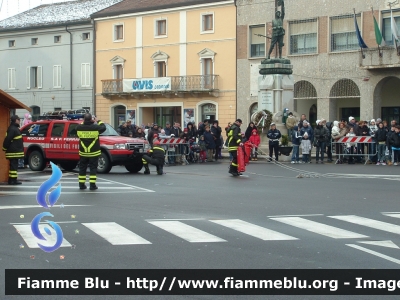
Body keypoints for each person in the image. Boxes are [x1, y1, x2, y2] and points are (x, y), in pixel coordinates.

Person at [76, 113, 106, 190]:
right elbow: (103, 127)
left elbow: (78, 127)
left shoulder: (79, 128)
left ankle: (81, 185)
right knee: (93, 168)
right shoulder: (95, 127)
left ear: (84, 119)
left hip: (83, 152)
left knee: (82, 168)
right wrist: (98, 120)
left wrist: (84, 121)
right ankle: (92, 185)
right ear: (91, 119)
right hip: (94, 152)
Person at [2, 115, 24, 185]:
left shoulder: (14, 128)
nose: (19, 121)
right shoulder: (13, 129)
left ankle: (13, 179)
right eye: (18, 119)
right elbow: (7, 140)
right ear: (16, 120)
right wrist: (4, 147)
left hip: (14, 151)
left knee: (14, 167)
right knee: (13, 167)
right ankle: (12, 180)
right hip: (13, 152)